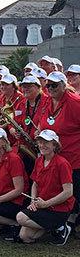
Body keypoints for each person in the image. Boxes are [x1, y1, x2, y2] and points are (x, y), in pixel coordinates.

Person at [39, 71, 80, 234]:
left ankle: (70, 223)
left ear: (64, 85)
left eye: (54, 85)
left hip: (74, 157)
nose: (50, 88)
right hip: (54, 157)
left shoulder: (75, 103)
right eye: (48, 85)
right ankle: (63, 223)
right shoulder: (47, 101)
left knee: (74, 192)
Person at [16, 130, 74, 246]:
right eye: (40, 142)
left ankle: (60, 225)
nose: (42, 145)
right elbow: (35, 184)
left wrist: (46, 204)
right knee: (25, 236)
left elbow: (68, 192)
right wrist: (33, 200)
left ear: (54, 145)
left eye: (46, 142)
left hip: (59, 209)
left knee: (21, 217)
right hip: (43, 206)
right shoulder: (39, 161)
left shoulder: (62, 163)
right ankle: (55, 227)